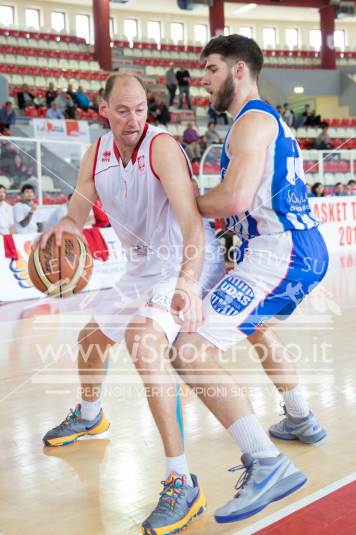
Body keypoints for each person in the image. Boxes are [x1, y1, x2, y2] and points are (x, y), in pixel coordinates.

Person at [40, 73, 224, 534]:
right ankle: (90, 417)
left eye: (141, 108)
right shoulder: (97, 152)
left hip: (179, 259)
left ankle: (182, 480)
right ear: (103, 109)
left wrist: (187, 281)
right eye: (123, 110)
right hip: (141, 266)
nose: (133, 119)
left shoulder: (160, 147)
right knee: (89, 340)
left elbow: (190, 221)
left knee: (143, 343)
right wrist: (65, 226)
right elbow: (79, 207)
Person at [166, 34, 328, 526]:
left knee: (188, 349)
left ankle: (267, 464)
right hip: (289, 249)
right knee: (256, 327)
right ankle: (300, 417)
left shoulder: (251, 121)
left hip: (280, 253)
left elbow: (233, 199)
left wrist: (187, 200)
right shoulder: (262, 121)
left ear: (239, 69)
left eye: (211, 69)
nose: (204, 80)